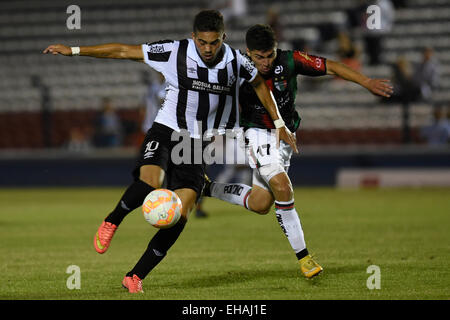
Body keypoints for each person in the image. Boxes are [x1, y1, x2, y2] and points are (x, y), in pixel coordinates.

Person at [43, 10, 297, 293]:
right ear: (193, 37)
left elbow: (261, 85)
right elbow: (124, 51)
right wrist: (75, 50)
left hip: (194, 143)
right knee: (149, 182)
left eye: (214, 42)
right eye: (202, 42)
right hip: (166, 130)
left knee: (181, 214)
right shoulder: (174, 52)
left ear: (223, 38)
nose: (208, 48)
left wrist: (278, 122)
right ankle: (112, 221)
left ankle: (135, 276)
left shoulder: (236, 61)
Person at [204, 24, 393, 278]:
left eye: (270, 55)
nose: (266, 62)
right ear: (248, 52)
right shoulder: (235, 67)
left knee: (261, 203)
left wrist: (366, 81)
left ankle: (206, 188)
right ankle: (305, 258)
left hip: (286, 136)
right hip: (256, 132)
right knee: (283, 187)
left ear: (276, 49)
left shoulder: (290, 61)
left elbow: (331, 66)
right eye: (259, 57)